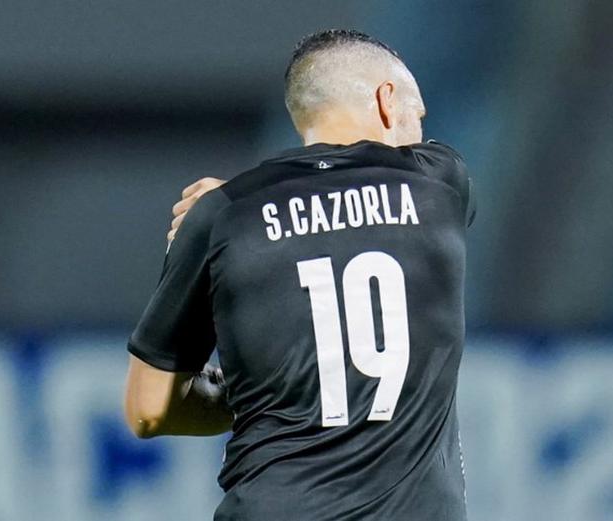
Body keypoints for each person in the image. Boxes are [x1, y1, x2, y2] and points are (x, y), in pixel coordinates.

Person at [124, 29, 475, 520]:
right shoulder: (441, 184)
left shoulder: (222, 217)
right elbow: (351, 205)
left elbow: (148, 407)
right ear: (387, 100)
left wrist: (269, 389)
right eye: (417, 117)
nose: (419, 133)